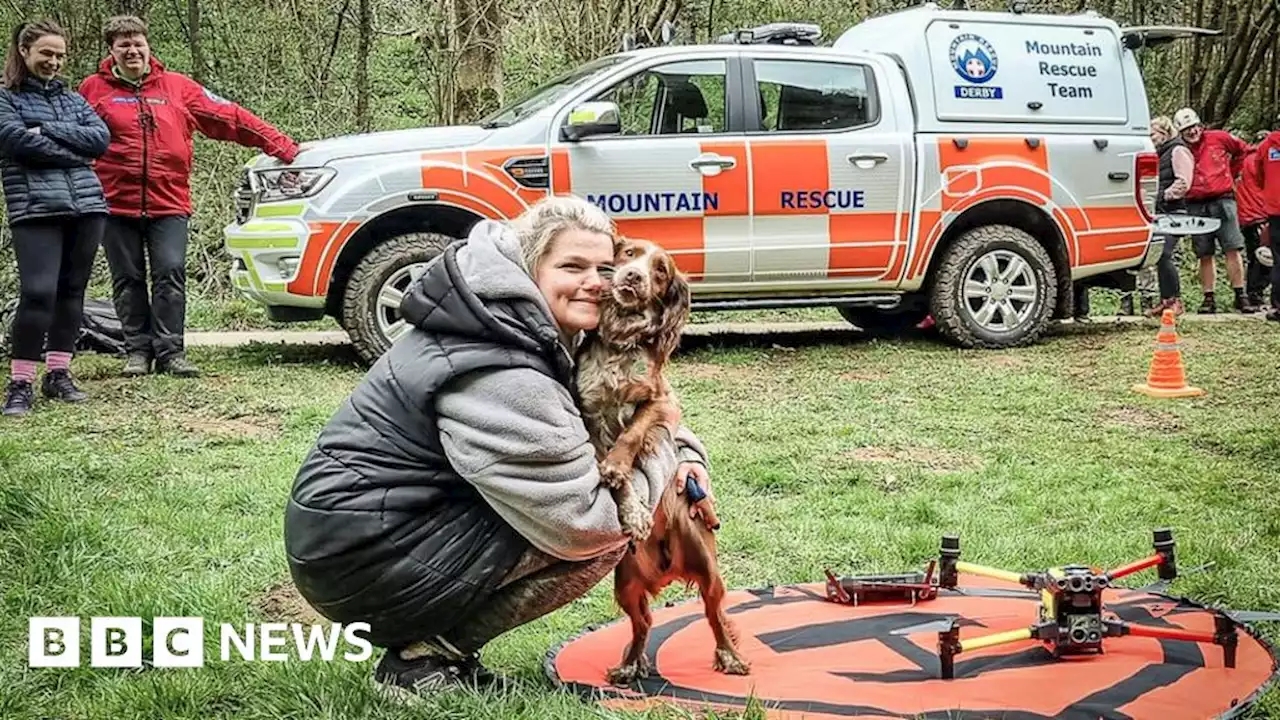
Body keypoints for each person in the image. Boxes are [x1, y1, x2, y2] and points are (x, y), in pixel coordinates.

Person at [284, 195, 713, 698]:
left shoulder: (516, 319)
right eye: (572, 266)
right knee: (613, 528)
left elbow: (628, 405)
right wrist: (661, 452)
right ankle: (422, 661)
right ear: (529, 267)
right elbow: (583, 520)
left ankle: (437, 646)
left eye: (604, 265)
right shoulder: (500, 370)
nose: (598, 282)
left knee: (609, 508)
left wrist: (684, 453)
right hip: (357, 555)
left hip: (375, 525)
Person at [79, 15, 300, 378]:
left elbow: (230, 117)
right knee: (127, 277)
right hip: (114, 203)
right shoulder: (92, 89)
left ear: (148, 47)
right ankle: (137, 352)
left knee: (170, 272)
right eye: (124, 45)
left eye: (138, 43)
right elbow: (72, 134)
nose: (132, 50)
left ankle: (171, 352)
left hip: (169, 203)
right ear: (112, 51)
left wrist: (281, 144)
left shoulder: (177, 87)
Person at [0, 20, 110, 417]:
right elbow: (14, 141)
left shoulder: (73, 100)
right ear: (25, 51)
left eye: (60, 55)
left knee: (72, 293)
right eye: (46, 53)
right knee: (38, 293)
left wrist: (45, 127)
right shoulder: (5, 98)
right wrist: (77, 153)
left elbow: (100, 139)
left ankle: (58, 375)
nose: (54, 61)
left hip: (88, 208)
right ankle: (20, 383)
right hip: (35, 209)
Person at [1173, 108, 1258, 314]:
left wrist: (1232, 172)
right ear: (1180, 132)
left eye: (1193, 127)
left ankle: (1240, 294)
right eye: (1186, 130)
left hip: (1222, 199)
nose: (1192, 132)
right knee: (1204, 252)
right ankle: (1209, 297)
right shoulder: (1180, 149)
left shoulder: (1218, 138)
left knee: (1232, 247)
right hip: (1195, 202)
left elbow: (1244, 150)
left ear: (1200, 125)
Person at [1144, 115, 1193, 317]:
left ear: (1164, 132)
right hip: (1161, 212)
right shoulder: (1159, 153)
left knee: (1164, 253)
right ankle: (1166, 301)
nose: (1150, 138)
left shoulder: (1178, 150)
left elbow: (1184, 182)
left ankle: (1175, 301)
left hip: (1175, 213)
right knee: (1158, 256)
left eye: (1153, 134)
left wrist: (1163, 195)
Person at [1236, 136, 1270, 310]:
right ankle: (1256, 293)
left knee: (1254, 256)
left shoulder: (1240, 160)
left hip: (1245, 216)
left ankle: (1253, 293)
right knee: (1265, 256)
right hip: (1260, 213)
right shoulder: (1260, 160)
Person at [1256, 124, 1280, 322]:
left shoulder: (1266, 146)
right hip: (1275, 209)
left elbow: (1259, 174)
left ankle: (1278, 306)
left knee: (1278, 260)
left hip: (1275, 208)